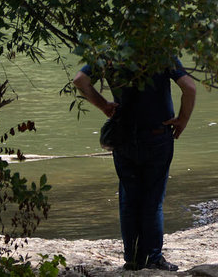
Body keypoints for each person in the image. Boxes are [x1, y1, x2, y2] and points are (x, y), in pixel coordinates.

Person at [73, 58, 197, 272]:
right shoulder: (158, 51)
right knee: (152, 200)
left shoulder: (110, 51)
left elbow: (80, 80)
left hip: (123, 137)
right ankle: (153, 258)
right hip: (157, 136)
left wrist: (103, 105)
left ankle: (132, 258)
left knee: (129, 199)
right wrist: (183, 119)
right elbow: (189, 87)